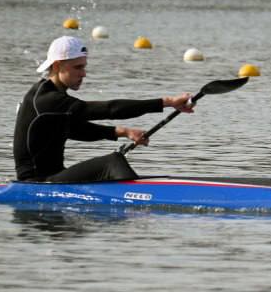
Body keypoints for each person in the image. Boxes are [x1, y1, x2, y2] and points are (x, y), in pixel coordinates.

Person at [13, 35, 193, 182]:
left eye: (84, 67)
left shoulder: (49, 97)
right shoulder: (47, 100)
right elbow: (110, 109)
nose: (84, 73)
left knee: (111, 166)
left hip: (52, 178)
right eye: (78, 67)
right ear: (57, 66)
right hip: (36, 183)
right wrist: (167, 101)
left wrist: (123, 132)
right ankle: (139, 201)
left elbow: (75, 130)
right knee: (113, 162)